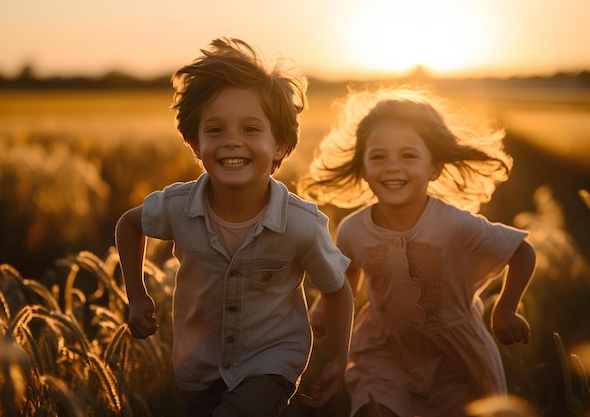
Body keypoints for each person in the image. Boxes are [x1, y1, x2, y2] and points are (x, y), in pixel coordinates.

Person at [115, 37, 353, 417]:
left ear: (280, 145)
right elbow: (129, 225)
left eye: (250, 129)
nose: (232, 143)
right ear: (194, 143)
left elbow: (337, 289)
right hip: (196, 365)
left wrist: (338, 362)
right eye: (216, 130)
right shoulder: (177, 207)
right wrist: (137, 294)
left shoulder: (300, 224)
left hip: (273, 362)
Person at [297, 87, 536, 417]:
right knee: (375, 410)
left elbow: (522, 251)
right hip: (385, 351)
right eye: (378, 156)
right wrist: (324, 309)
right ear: (363, 168)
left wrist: (505, 309)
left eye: (408, 155)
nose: (392, 166)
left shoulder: (454, 224)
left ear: (434, 167)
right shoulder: (353, 230)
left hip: (456, 358)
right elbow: (347, 276)